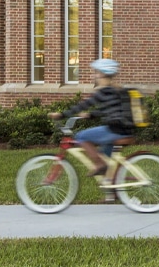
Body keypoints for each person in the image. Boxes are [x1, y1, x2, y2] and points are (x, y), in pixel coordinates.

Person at [49, 59, 136, 202]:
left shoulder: (103, 92)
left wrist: (61, 115)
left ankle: (100, 165)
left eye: (96, 72)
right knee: (104, 155)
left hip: (114, 130)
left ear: (102, 74)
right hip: (125, 129)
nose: (95, 75)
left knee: (82, 136)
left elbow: (83, 105)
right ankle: (111, 194)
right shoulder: (117, 90)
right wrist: (90, 115)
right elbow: (108, 110)